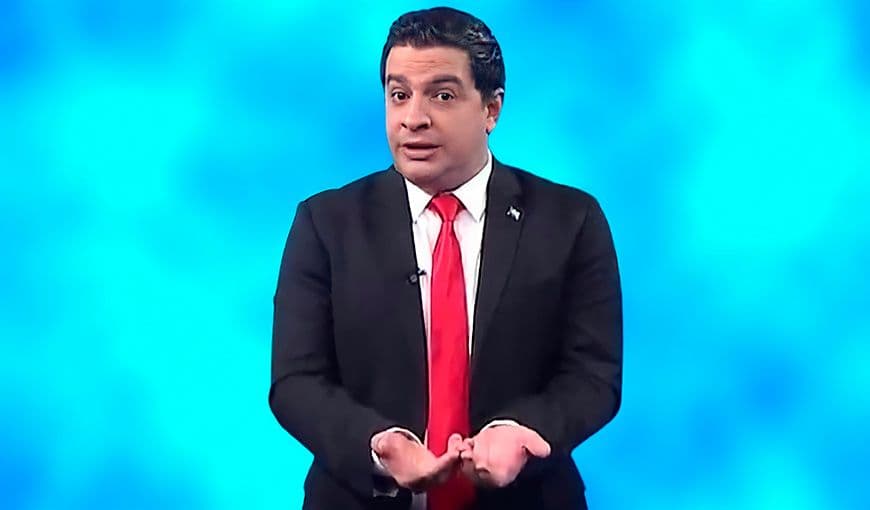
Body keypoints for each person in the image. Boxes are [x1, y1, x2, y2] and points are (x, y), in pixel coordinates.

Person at [269, 6, 622, 509]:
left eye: (442, 95)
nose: (413, 118)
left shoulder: (570, 220)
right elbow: (295, 382)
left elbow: (593, 375)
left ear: (491, 109)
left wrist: (521, 431)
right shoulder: (325, 224)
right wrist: (377, 444)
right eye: (399, 95)